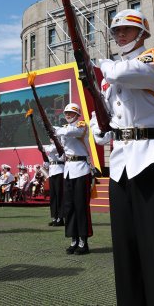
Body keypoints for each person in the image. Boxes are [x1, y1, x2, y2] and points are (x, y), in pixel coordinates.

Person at [90, 9, 154, 305]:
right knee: (126, 251)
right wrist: (99, 125)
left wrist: (94, 65)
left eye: (127, 30)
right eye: (116, 31)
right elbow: (106, 124)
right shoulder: (110, 76)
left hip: (153, 159)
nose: (120, 35)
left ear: (142, 34)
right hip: (120, 165)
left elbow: (123, 73)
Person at [57, 103, 94, 255]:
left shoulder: (80, 125)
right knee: (69, 207)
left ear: (77, 115)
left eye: (71, 113)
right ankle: (73, 239)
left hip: (81, 169)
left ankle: (83, 242)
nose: (68, 115)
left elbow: (73, 132)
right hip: (68, 169)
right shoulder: (64, 129)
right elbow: (62, 149)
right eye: (66, 113)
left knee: (81, 207)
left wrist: (55, 129)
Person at [43, 139, 65, 226]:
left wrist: (43, 148)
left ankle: (61, 218)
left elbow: (51, 149)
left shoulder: (59, 145)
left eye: (52, 137)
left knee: (59, 196)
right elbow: (47, 163)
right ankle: (55, 217)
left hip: (59, 170)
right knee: (53, 196)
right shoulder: (50, 146)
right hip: (52, 171)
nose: (50, 139)